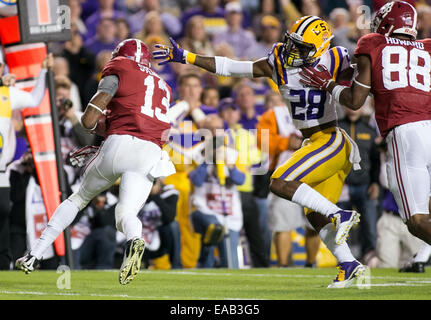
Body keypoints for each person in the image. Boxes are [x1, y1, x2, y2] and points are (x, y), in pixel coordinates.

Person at [153, 15, 366, 288]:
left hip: (331, 138)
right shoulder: (278, 61)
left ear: (320, 47)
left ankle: (341, 214)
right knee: (314, 213)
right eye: (292, 42)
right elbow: (231, 67)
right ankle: (348, 263)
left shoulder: (336, 58)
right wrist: (187, 57)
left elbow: (359, 97)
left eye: (300, 47)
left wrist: (332, 81)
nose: (292, 50)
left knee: (279, 182)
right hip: (313, 143)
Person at [16, 39, 176, 286]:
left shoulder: (120, 66)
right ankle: (135, 239)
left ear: (119, 55)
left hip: (120, 143)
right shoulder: (164, 86)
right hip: (151, 151)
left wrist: (96, 132)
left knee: (78, 198)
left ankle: (34, 254)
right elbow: (150, 125)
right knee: (126, 213)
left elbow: (90, 121)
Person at [299, 1, 431, 246]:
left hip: (406, 131)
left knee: (417, 221)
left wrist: (327, 83)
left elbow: (354, 101)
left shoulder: (373, 43)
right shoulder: (427, 48)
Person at [0, 54, 53, 270]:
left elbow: (34, 100)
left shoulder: (6, 94)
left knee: (3, 211)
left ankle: (3, 263)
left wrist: (43, 71)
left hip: (2, 170)